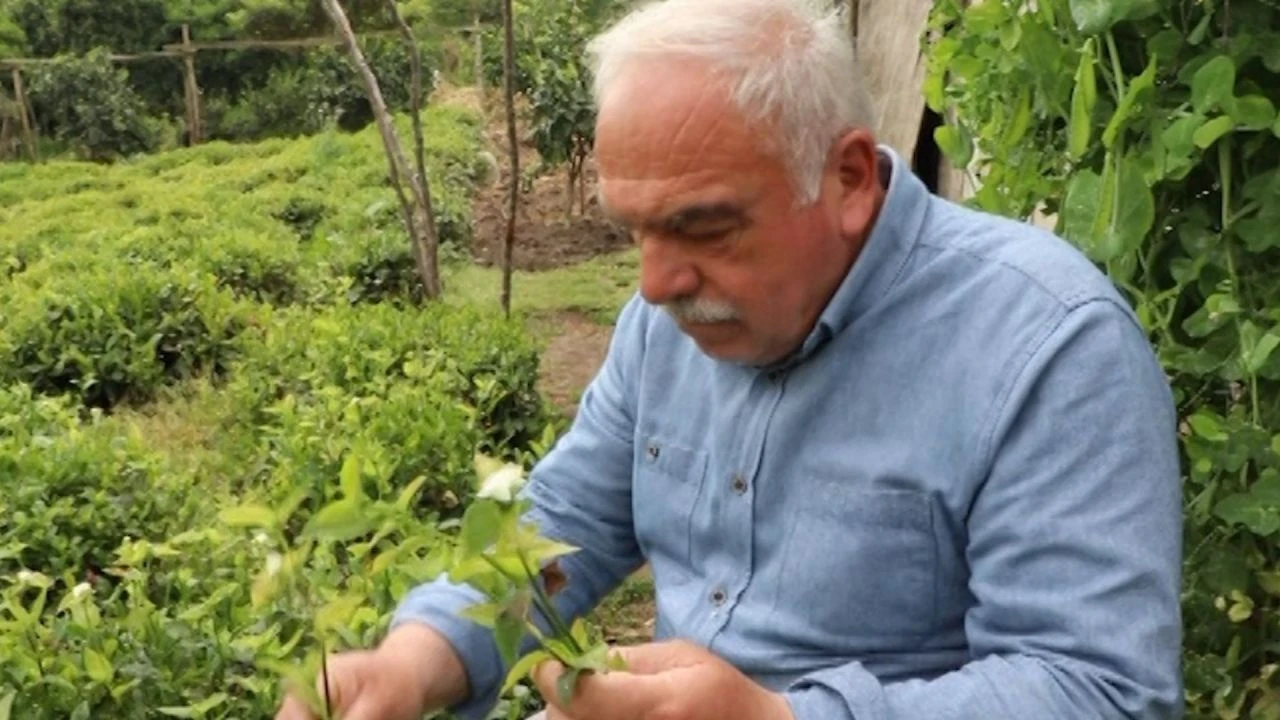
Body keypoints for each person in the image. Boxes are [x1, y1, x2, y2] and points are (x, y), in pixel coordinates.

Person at [276, 0, 1185, 718]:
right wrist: (417, 657)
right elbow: (561, 528)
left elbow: (1096, 691)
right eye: (631, 229)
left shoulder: (1046, 347)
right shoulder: (663, 322)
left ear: (849, 180)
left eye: (701, 227)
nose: (656, 282)